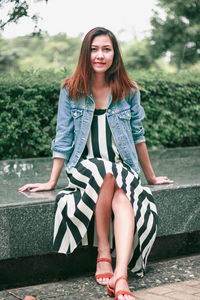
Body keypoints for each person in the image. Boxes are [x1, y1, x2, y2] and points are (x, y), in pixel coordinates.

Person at [19, 27, 173, 300]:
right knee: (105, 173)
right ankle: (104, 253)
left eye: (106, 49)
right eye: (94, 49)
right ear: (86, 53)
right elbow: (64, 137)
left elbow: (138, 137)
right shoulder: (71, 89)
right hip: (85, 167)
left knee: (124, 197)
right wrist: (52, 181)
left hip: (121, 167)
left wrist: (150, 177)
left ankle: (120, 275)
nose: (100, 55)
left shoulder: (129, 90)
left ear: (115, 54)